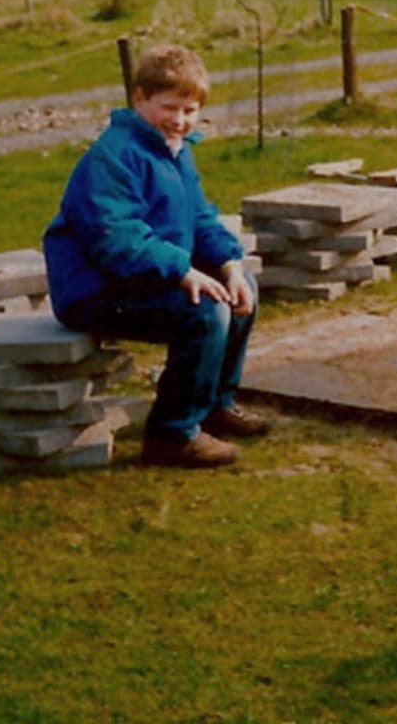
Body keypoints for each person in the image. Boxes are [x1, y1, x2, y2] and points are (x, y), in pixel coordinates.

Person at [43, 43, 267, 469]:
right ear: (139, 98)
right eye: (169, 108)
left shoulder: (176, 152)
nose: (180, 121)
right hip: (97, 290)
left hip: (143, 278)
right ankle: (171, 434)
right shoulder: (113, 156)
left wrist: (230, 266)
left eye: (190, 111)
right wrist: (183, 272)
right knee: (204, 312)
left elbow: (201, 220)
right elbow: (116, 237)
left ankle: (215, 405)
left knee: (242, 290)